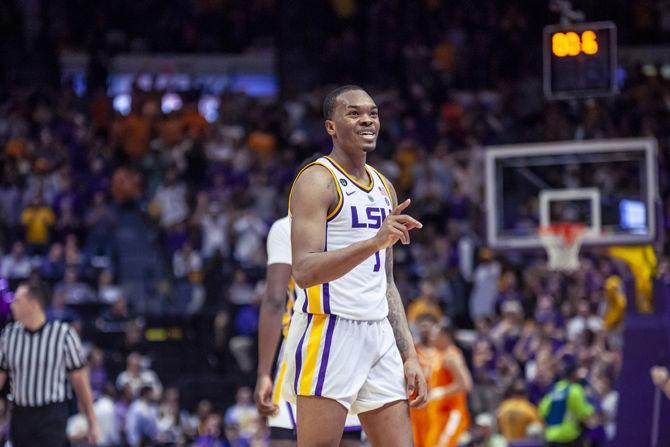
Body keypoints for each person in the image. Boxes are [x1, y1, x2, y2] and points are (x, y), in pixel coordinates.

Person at [281, 85, 427, 447]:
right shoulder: (317, 180)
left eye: (373, 113)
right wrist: (374, 242)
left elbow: (387, 281)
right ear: (331, 126)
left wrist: (408, 354)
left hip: (377, 332)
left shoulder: (384, 186)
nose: (367, 120)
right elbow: (304, 269)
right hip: (330, 329)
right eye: (354, 113)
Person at [255, 211, 362, 446]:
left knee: (284, 437)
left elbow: (274, 301)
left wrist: (264, 373)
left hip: (301, 346)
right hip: (348, 344)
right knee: (348, 438)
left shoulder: (285, 227)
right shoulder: (353, 224)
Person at [0, 282, 100, 446]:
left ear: (33, 304)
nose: (11, 305)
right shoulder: (8, 336)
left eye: (17, 301)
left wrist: (92, 420)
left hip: (51, 414)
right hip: (20, 414)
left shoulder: (63, 335)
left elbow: (80, 382)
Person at [426, 323, 472, 447]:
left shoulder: (452, 356)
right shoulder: (437, 354)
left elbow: (466, 384)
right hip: (439, 413)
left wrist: (440, 392)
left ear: (445, 336)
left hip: (452, 413)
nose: (431, 337)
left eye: (434, 334)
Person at [539, 363, 595, 447]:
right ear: (574, 374)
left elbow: (542, 410)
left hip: (551, 437)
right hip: (569, 438)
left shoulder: (554, 389)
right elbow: (584, 414)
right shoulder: (575, 390)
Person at [410, 313, 438, 447]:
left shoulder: (441, 351)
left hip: (436, 404)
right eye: (422, 326)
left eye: (428, 326)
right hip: (416, 405)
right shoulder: (412, 352)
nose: (425, 329)